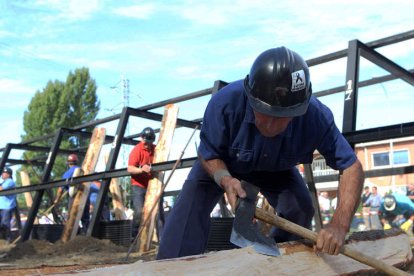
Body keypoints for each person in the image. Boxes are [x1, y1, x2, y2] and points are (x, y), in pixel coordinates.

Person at [157, 46, 364, 260]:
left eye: (284, 116)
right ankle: (172, 266)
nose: (272, 125)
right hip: (222, 165)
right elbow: (208, 154)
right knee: (184, 220)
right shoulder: (224, 103)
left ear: (300, 109)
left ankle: (274, 261)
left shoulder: (317, 117)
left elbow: (351, 166)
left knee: (300, 208)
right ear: (250, 96)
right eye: (265, 112)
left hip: (276, 169)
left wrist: (340, 223)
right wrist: (225, 179)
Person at [127, 127, 156, 239]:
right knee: (139, 211)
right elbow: (130, 168)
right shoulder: (137, 150)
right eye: (145, 143)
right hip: (138, 185)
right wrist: (141, 170)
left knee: (158, 212)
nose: (147, 145)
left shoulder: (156, 149)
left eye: (149, 143)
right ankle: (134, 236)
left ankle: (161, 238)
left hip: (152, 184)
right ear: (141, 138)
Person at [54, 154, 90, 233]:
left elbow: (60, 189)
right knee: (85, 219)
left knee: (72, 219)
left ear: (68, 163)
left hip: (74, 197)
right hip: (85, 196)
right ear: (77, 162)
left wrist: (57, 200)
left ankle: (73, 239)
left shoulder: (67, 173)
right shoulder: (82, 170)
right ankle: (87, 236)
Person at [0, 167, 17, 242]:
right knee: (2, 225)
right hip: (2, 207)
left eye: (4, 173)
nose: (2, 174)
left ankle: (7, 240)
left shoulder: (10, 181)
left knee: (5, 224)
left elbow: (1, 189)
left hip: (7, 207)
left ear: (9, 174)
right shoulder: (3, 182)